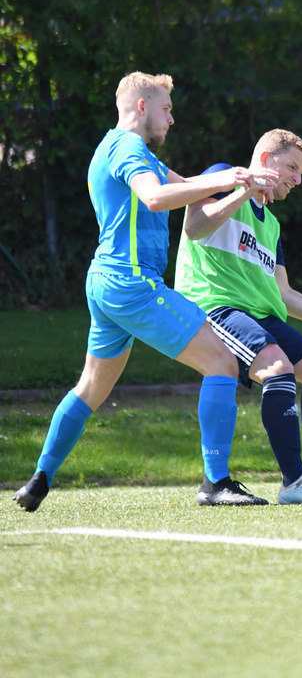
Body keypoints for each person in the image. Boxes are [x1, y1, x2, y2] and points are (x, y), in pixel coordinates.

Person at [13, 71, 279, 512]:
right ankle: (216, 482)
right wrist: (229, 179)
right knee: (223, 361)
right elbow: (156, 198)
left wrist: (242, 184)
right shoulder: (129, 148)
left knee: (91, 388)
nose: (171, 119)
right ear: (142, 107)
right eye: (167, 108)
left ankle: (40, 478)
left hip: (106, 285)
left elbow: (190, 192)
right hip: (133, 284)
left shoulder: (123, 151)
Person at [174, 128, 302, 505]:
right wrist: (245, 190)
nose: (298, 179)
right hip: (215, 306)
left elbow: (283, 294)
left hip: (259, 315)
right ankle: (293, 483)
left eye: (301, 173)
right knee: (277, 368)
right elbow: (194, 227)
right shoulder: (223, 175)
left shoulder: (271, 224)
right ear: (265, 160)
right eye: (292, 168)